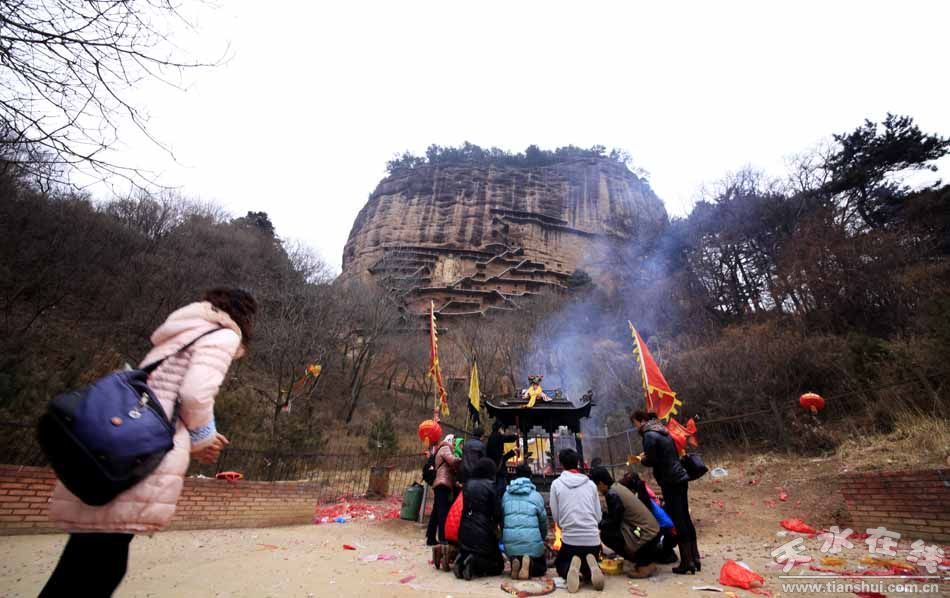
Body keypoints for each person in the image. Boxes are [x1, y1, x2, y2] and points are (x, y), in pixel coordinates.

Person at [41, 288, 257, 597]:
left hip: (120, 439)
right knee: (99, 566)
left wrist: (197, 438)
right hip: (141, 448)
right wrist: (203, 437)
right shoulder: (224, 335)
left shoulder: (181, 332)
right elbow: (194, 394)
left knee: (87, 559)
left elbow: (157, 394)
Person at [631, 410, 699, 574]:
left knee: (678, 519)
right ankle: (695, 557)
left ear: (641, 421)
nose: (635, 427)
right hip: (680, 476)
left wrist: (642, 459)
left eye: (635, 424)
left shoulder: (649, 435)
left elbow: (652, 460)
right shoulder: (663, 430)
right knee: (685, 516)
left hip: (669, 480)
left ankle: (686, 562)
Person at [549, 448, 605, 593]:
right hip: (593, 542)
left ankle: (572, 569)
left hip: (570, 542)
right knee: (588, 559)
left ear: (561, 464)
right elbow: (598, 517)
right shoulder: (591, 485)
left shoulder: (556, 484)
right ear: (578, 463)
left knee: (561, 564)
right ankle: (591, 569)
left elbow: (556, 517)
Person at [590, 467, 661, 578]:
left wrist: (597, 524)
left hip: (647, 535)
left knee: (607, 535)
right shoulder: (617, 487)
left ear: (601, 483)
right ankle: (646, 561)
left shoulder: (612, 494)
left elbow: (614, 522)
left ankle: (643, 564)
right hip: (653, 531)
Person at [455, 458, 504, 580]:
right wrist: (498, 527)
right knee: (498, 565)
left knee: (471, 550)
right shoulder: (491, 486)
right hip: (483, 533)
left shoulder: (467, 484)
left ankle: (461, 560)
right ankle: (474, 563)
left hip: (464, 532)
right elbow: (497, 512)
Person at [620, 471, 678, 564]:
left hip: (668, 533)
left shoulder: (643, 500)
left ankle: (665, 553)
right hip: (668, 531)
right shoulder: (643, 494)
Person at [501, 464, 548, 579]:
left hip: (511, 545)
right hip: (532, 545)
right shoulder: (536, 496)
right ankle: (529, 564)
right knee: (540, 568)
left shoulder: (505, 495)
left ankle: (516, 562)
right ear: (530, 477)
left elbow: (502, 520)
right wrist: (542, 538)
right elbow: (543, 522)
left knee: (516, 553)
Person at [431, 433, 461, 569]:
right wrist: (463, 460)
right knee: (443, 513)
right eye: (454, 441)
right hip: (443, 483)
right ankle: (443, 540)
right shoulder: (445, 448)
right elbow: (452, 461)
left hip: (443, 483)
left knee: (438, 512)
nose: (454, 443)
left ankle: (433, 538)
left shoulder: (443, 448)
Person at [486, 421, 519, 499]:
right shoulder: (497, 436)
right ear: (499, 429)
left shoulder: (491, 437)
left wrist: (512, 452)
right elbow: (509, 438)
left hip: (492, 467)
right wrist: (516, 436)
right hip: (499, 469)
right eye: (502, 429)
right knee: (501, 489)